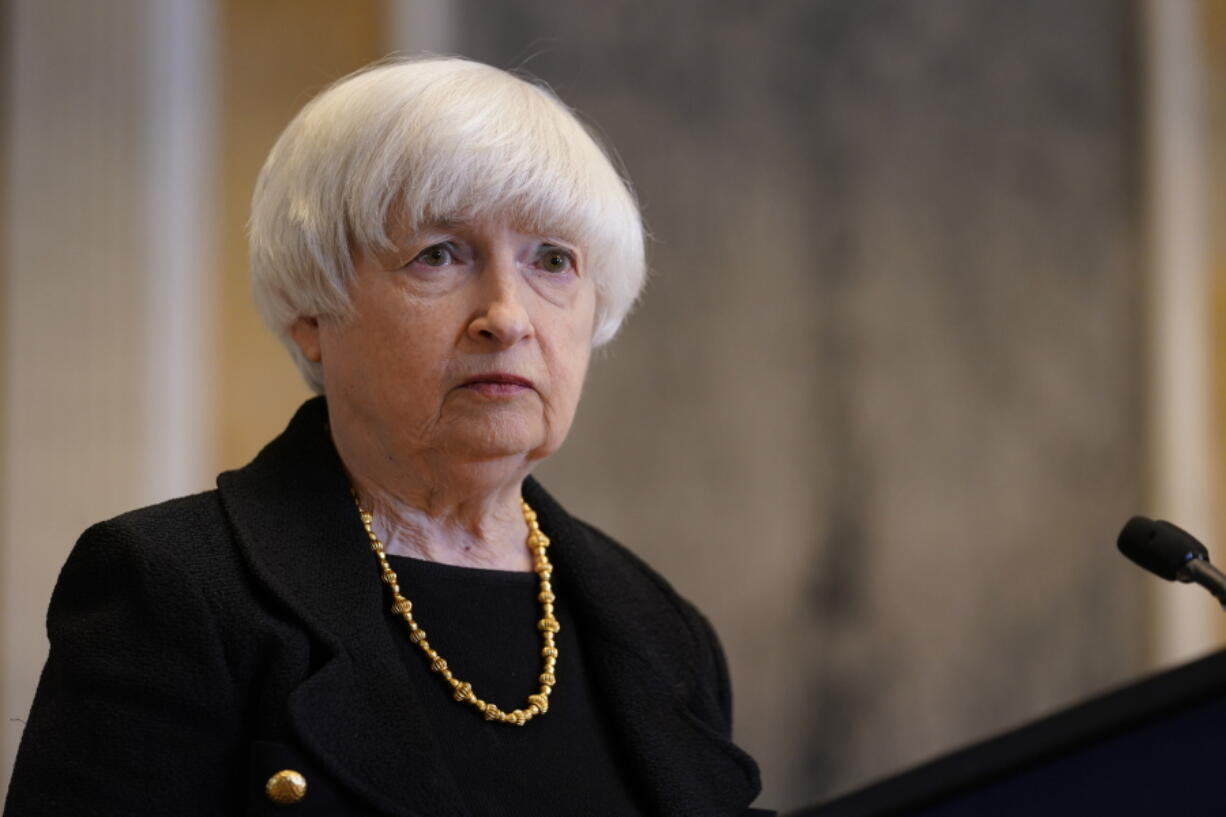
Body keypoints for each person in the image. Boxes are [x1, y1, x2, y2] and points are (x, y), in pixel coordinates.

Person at [4, 57, 769, 816]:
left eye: (554, 261)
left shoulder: (664, 631)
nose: (508, 314)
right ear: (312, 313)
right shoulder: (173, 589)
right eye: (439, 254)